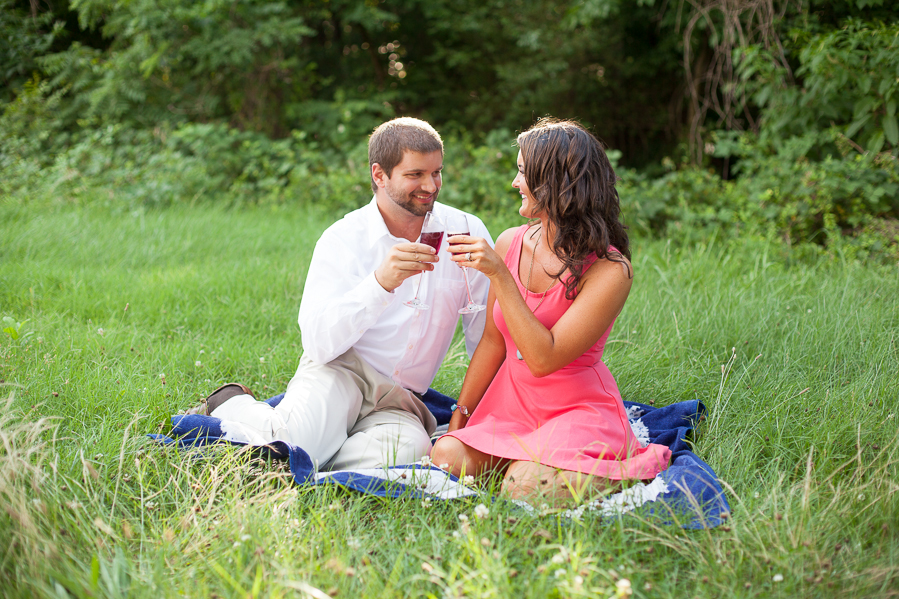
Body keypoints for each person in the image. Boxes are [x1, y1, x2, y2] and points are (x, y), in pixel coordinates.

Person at [196, 117, 492, 472]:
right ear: (379, 175)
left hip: (400, 399)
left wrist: (477, 413)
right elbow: (319, 345)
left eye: (437, 172)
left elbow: (485, 333)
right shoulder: (343, 239)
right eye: (415, 175)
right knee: (299, 442)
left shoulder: (465, 230)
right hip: (341, 371)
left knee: (409, 453)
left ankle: (305, 455)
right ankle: (233, 405)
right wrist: (380, 283)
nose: (431, 185)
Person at [430, 118, 671, 501]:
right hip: (513, 404)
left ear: (556, 182)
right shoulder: (511, 241)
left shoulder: (610, 270)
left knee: (522, 487)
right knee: (445, 454)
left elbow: (544, 358)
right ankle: (532, 465)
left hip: (575, 407)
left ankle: (605, 468)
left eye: (523, 172)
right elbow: (493, 342)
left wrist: (499, 276)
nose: (514, 182)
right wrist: (461, 414)